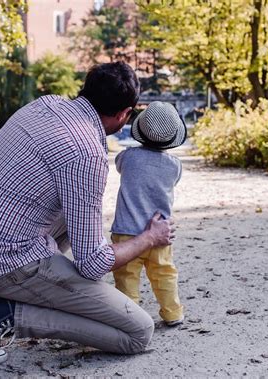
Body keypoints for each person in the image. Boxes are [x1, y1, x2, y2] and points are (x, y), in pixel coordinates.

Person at [0, 62, 175, 367]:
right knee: (137, 331)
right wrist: (148, 238)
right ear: (124, 114)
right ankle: (3, 314)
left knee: (77, 209)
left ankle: (42, 288)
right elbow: (94, 264)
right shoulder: (87, 153)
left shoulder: (46, 104)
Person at [111, 101, 187, 327]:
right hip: (161, 233)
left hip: (126, 233)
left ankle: (130, 318)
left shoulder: (128, 157)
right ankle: (172, 313)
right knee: (164, 274)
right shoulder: (174, 165)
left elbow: (118, 165)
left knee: (126, 278)